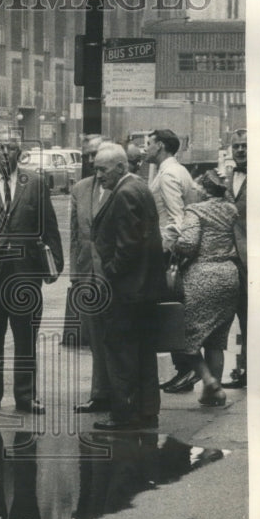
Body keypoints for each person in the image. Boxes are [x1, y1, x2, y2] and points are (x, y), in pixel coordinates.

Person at [0, 134, 63, 416]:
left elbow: (49, 226)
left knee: (26, 338)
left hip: (25, 274)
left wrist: (55, 264)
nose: (6, 153)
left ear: (21, 153)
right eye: (1, 148)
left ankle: (26, 397)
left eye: (12, 148)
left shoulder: (36, 184)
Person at [90, 144, 166, 430]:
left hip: (126, 290)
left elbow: (128, 245)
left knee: (121, 351)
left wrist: (111, 271)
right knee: (144, 352)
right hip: (145, 289)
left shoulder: (123, 194)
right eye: (96, 169)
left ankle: (124, 413)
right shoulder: (139, 187)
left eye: (102, 169)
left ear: (121, 167)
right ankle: (147, 411)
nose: (98, 175)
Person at [171, 170, 239, 407]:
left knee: (186, 337)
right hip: (229, 275)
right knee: (216, 340)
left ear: (203, 190)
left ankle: (209, 380)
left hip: (203, 277)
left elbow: (189, 244)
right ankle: (214, 395)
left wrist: (172, 241)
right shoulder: (231, 209)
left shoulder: (196, 211)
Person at [145, 128, 202, 394]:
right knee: (174, 310)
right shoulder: (176, 170)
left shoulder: (168, 175)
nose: (146, 148)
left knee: (169, 311)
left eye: (149, 143)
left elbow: (176, 220)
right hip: (172, 253)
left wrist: (164, 251)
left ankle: (188, 367)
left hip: (168, 254)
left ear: (160, 146)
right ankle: (185, 369)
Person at [70, 136, 112, 414]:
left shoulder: (125, 185)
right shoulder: (80, 189)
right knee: (96, 338)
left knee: (118, 338)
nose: (91, 162)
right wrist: (75, 274)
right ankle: (99, 394)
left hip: (116, 275)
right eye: (87, 156)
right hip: (87, 275)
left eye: (96, 155)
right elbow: (75, 234)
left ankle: (123, 394)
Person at [224, 128, 247, 388]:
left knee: (251, 317)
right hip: (231, 258)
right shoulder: (229, 177)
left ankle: (248, 369)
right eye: (237, 146)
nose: (240, 150)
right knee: (239, 316)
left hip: (254, 259)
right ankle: (241, 368)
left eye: (245, 146)